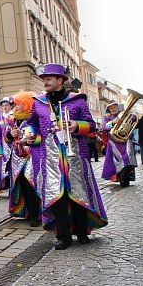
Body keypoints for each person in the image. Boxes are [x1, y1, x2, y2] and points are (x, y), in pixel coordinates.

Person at [25, 64, 108, 250]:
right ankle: (63, 235)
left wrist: (77, 125)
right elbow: (31, 124)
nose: (45, 82)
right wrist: (29, 133)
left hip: (75, 155)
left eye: (49, 78)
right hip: (51, 157)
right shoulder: (38, 103)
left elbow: (91, 125)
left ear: (61, 80)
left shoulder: (77, 101)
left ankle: (81, 231)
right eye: (44, 79)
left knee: (78, 194)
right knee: (58, 196)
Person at [6, 91, 41, 227]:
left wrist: (28, 139)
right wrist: (10, 134)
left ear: (26, 104)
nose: (15, 107)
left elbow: (41, 138)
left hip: (31, 157)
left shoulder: (34, 119)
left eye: (18, 104)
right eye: (14, 104)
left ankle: (35, 215)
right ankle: (27, 212)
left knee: (32, 186)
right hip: (16, 159)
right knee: (21, 187)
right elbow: (6, 139)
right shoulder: (12, 120)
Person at [101, 102, 138, 187]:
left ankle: (127, 178)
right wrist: (113, 122)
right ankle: (120, 178)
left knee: (127, 159)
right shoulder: (107, 117)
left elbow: (133, 121)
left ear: (118, 108)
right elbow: (104, 127)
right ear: (109, 110)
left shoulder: (124, 114)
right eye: (111, 108)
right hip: (114, 142)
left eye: (114, 107)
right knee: (117, 160)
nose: (113, 109)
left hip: (125, 141)